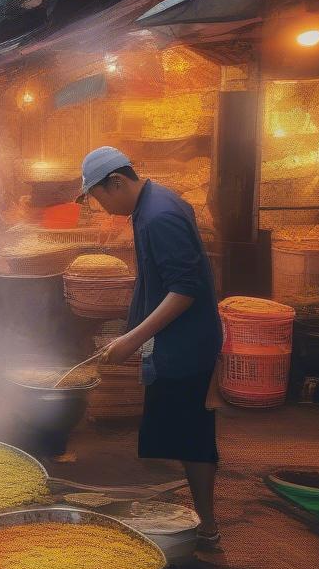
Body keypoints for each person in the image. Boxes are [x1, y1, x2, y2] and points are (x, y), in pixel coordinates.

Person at [80, 146, 223, 544]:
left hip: (186, 343)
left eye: (97, 197)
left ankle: (207, 528)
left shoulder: (159, 216)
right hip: (177, 339)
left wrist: (132, 338)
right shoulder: (153, 203)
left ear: (117, 182)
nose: (99, 206)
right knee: (179, 431)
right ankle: (196, 519)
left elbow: (185, 289)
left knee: (192, 436)